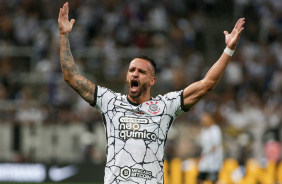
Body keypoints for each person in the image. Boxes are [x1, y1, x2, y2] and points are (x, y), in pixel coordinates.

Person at [58, 2, 245, 183]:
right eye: (131, 70)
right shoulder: (110, 101)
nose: (135, 73)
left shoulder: (166, 106)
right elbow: (71, 77)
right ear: (126, 76)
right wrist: (64, 36)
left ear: (152, 80)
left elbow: (207, 84)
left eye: (141, 71)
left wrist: (228, 50)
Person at [197, 112, 223, 184]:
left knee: (213, 180)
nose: (203, 122)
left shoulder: (215, 130)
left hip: (213, 160)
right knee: (200, 178)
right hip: (205, 161)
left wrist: (203, 155)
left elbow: (215, 146)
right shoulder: (204, 131)